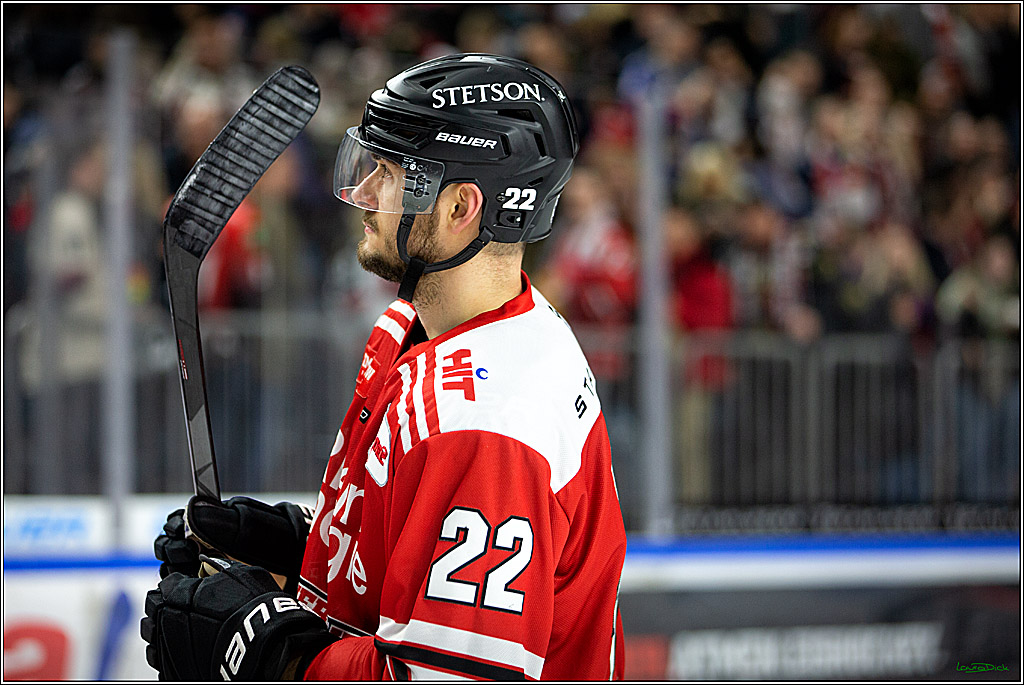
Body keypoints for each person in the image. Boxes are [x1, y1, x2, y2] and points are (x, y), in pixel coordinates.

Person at [141, 53, 627, 681]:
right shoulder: (419, 329)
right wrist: (303, 546)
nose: (364, 195)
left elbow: (446, 674)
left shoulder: (491, 424)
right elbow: (414, 543)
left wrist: (269, 653)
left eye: (390, 174)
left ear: (460, 208)